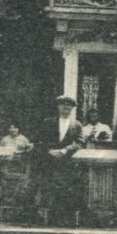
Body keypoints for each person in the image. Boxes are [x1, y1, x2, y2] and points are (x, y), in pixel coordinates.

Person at [34, 95, 84, 225]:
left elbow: (80, 143)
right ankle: (46, 219)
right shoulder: (48, 122)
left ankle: (64, 220)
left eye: (69, 105)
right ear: (58, 107)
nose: (66, 107)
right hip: (49, 161)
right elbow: (39, 141)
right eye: (63, 105)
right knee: (48, 189)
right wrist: (49, 151)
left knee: (66, 190)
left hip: (66, 162)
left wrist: (66, 149)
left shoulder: (77, 125)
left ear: (72, 108)